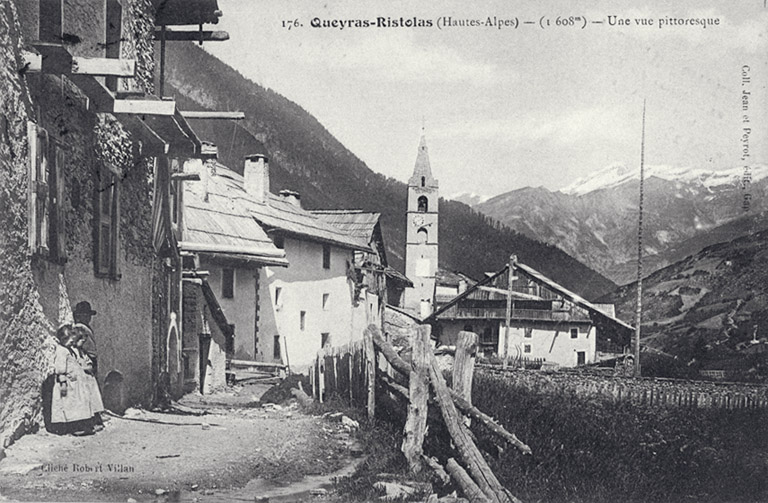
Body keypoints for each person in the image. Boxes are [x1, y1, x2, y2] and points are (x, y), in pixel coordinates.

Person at [50, 324, 94, 435]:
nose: (72, 343)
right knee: (69, 406)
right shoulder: (61, 351)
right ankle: (72, 427)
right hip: (68, 384)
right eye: (70, 341)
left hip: (75, 384)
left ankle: (78, 425)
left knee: (76, 405)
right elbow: (61, 369)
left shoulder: (69, 350)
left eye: (72, 340)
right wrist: (63, 383)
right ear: (63, 339)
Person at [72, 323, 105, 430]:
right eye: (81, 340)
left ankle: (95, 417)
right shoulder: (73, 352)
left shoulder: (82, 351)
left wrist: (89, 365)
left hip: (88, 379)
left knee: (94, 395)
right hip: (81, 380)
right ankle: (86, 422)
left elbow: (88, 360)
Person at [73, 301, 98, 374]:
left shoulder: (86, 327)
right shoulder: (80, 327)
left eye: (88, 315)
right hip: (87, 357)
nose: (88, 317)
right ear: (79, 316)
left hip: (91, 356)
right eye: (84, 315)